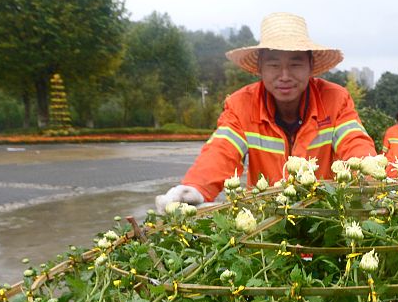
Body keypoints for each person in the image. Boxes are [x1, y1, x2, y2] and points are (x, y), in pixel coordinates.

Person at [156, 13, 376, 209]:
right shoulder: (241, 105)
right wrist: (194, 189)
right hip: (264, 219)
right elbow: (220, 152)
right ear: (259, 67)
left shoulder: (335, 100)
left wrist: (376, 180)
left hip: (322, 215)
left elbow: (356, 145)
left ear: (311, 65)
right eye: (273, 65)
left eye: (295, 64)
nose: (284, 75)